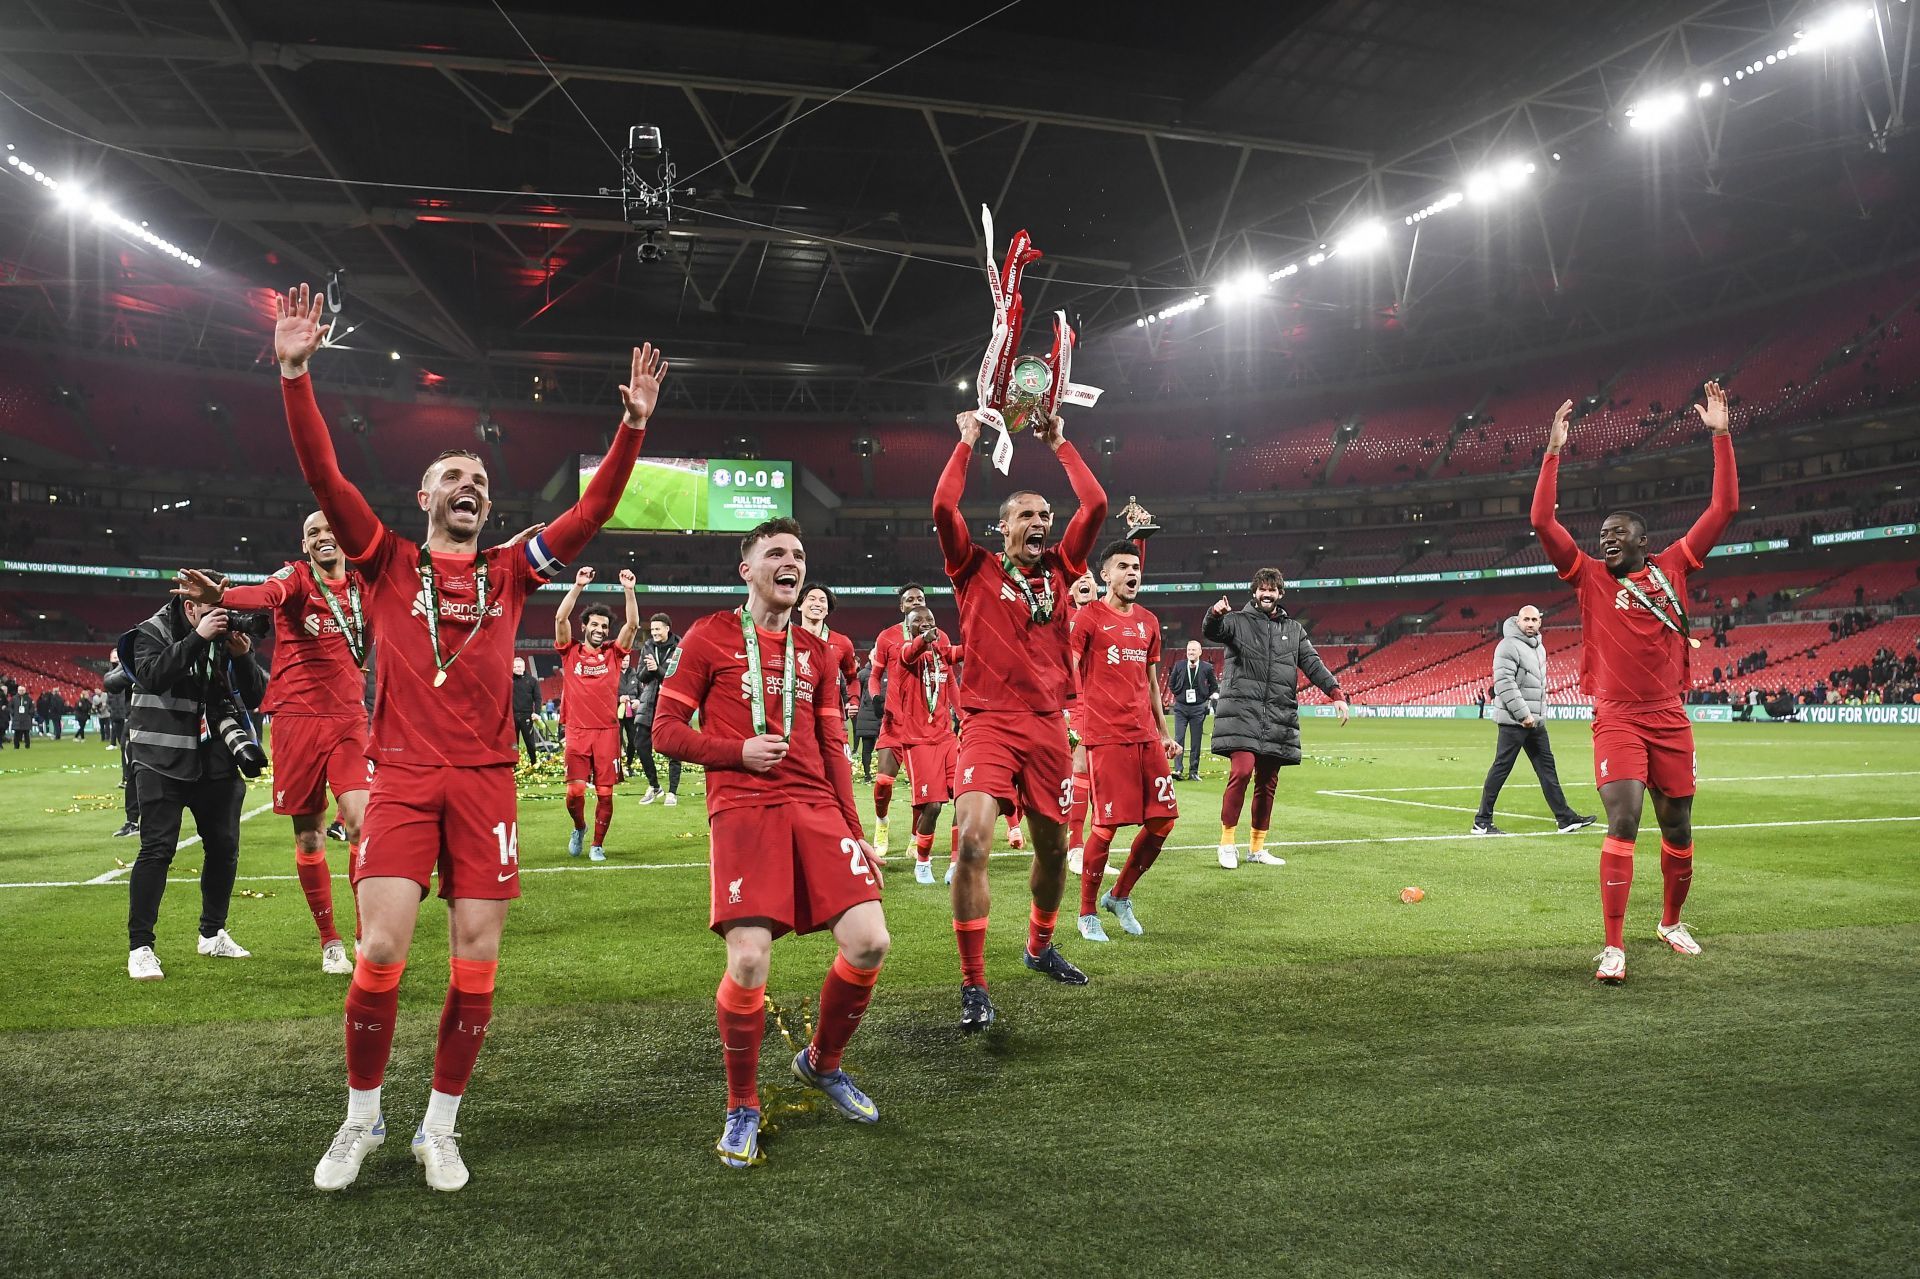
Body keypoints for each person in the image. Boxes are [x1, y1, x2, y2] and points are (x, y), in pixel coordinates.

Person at [264, 283, 665, 1192]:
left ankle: (437, 1126)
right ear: (423, 496)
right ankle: (361, 1116)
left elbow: (591, 514)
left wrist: (632, 427)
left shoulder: (513, 570)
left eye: (480, 482)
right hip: (402, 773)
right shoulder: (383, 557)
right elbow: (327, 478)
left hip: (484, 781)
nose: (470, 488)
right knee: (380, 951)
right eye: (454, 479)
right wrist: (296, 374)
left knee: (477, 956)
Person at [651, 517, 888, 1170]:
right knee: (750, 959)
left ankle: (822, 1062)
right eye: (777, 552)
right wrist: (737, 751)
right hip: (745, 807)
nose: (792, 561)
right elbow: (664, 730)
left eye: (800, 554)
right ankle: (742, 1105)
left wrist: (856, 831)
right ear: (747, 570)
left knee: (870, 940)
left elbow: (836, 747)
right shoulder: (708, 637)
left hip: (815, 805)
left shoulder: (820, 652)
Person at [1531, 383, 1737, 984]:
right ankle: (1614, 947)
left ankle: (1671, 922)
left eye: (1618, 533)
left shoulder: (1673, 566)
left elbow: (1722, 509)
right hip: (1617, 715)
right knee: (1624, 819)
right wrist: (1553, 451)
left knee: (1678, 826)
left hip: (1669, 716)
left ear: (1642, 541)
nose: (1606, 539)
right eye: (1602, 535)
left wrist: (1721, 435)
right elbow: (1542, 519)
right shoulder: (1589, 577)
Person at [934, 408, 1107, 1033]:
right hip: (986, 722)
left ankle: (1038, 946)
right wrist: (967, 441)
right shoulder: (971, 567)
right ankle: (974, 983)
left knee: (1056, 850)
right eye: (1026, 516)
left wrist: (1059, 441)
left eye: (1043, 516)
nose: (1038, 523)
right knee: (974, 840)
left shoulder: (1063, 571)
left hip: (1045, 727)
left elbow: (1096, 505)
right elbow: (942, 507)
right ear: (1002, 526)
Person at [174, 512, 377, 976]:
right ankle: (331, 943)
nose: (323, 538)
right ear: (304, 545)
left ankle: (368, 936)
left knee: (363, 827)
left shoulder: (365, 588)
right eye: (313, 534)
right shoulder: (296, 577)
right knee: (309, 835)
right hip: (296, 721)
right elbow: (264, 595)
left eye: (330, 530)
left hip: (349, 718)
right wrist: (222, 596)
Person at [120, 576, 268, 980]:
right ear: (189, 608)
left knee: (224, 848)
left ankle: (212, 932)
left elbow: (255, 698)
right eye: (209, 612)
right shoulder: (151, 631)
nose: (220, 620)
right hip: (161, 758)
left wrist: (243, 657)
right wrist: (199, 638)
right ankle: (141, 948)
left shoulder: (224, 634)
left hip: (214, 757)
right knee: (157, 850)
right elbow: (151, 675)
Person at [1069, 543, 1179, 942]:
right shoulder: (1088, 618)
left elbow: (1150, 683)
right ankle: (1086, 912)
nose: (1133, 573)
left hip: (1146, 737)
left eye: (1135, 567)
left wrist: (1164, 733)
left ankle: (1119, 896)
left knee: (1163, 821)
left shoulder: (1148, 621)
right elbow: (1070, 671)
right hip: (1105, 737)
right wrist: (1074, 725)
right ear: (1106, 576)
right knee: (1107, 825)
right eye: (1123, 567)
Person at [1205, 569, 1350, 869]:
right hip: (1243, 713)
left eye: (1272, 589)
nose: (1267, 594)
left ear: (1281, 594)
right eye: (1261, 589)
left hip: (1277, 715)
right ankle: (1227, 843)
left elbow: (1312, 663)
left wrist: (1335, 693)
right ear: (1254, 592)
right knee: (1242, 772)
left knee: (1268, 783)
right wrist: (1215, 613)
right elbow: (1212, 630)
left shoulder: (1294, 630)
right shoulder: (1236, 621)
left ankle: (1257, 847)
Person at [1471, 605, 1595, 837]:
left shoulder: (1539, 647)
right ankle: (1482, 821)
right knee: (1502, 768)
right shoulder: (1507, 645)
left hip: (1535, 722)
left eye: (1534, 619)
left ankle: (1565, 819)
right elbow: (1504, 683)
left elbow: (1536, 686)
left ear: (1540, 622)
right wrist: (1523, 714)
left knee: (1547, 769)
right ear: (1517, 621)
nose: (1530, 623)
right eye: (1525, 619)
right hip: (1514, 721)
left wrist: (1536, 717)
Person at [554, 566, 640, 861]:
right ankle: (579, 827)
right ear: (585, 627)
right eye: (595, 625)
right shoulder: (570, 651)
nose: (600, 630)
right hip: (577, 731)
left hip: (607, 732)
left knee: (605, 794)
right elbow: (560, 618)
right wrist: (578, 586)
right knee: (575, 793)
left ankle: (596, 845)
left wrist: (629, 590)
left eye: (604, 626)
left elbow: (632, 626)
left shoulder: (614, 654)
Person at [888, 603, 961, 885]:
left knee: (965, 800)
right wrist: (923, 639)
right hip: (918, 742)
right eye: (918, 620)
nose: (926, 623)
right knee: (932, 806)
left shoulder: (941, 656)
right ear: (909, 626)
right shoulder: (905, 655)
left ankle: (956, 864)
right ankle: (922, 862)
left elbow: (958, 653)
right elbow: (910, 651)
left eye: (930, 619)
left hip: (946, 738)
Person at [866, 582, 928, 855]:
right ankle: (882, 823)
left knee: (922, 789)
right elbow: (874, 675)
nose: (915, 602)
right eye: (910, 599)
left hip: (925, 724)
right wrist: (877, 698)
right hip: (894, 720)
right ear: (901, 606)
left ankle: (916, 838)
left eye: (920, 598)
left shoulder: (937, 637)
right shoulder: (887, 637)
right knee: (883, 782)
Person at [631, 613, 682, 805]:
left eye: (657, 629)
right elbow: (641, 677)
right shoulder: (647, 647)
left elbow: (677, 678)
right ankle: (654, 786)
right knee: (641, 744)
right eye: (652, 630)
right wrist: (649, 668)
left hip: (671, 703)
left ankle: (672, 791)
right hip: (649, 702)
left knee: (673, 747)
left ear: (667, 628)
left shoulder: (680, 648)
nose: (654, 633)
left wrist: (657, 670)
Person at [797, 583, 860, 719]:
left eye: (822, 600)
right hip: (798, 718)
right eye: (812, 599)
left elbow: (852, 678)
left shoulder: (842, 643)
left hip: (831, 720)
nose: (817, 603)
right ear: (799, 605)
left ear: (827, 610)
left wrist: (853, 700)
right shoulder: (788, 639)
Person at [1166, 638, 1218, 781]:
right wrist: (1178, 694)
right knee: (1179, 738)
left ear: (1200, 652)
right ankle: (1177, 770)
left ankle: (1193, 771)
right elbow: (1172, 683)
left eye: (1194, 650)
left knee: (1196, 741)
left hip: (1197, 709)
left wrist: (1204, 698)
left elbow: (1214, 686)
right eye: (1189, 650)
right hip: (1181, 708)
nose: (1191, 652)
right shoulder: (1179, 665)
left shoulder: (1207, 667)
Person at [853, 653, 882, 781]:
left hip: (882, 716)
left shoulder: (886, 673)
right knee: (868, 747)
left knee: (884, 748)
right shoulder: (864, 674)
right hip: (868, 715)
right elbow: (856, 693)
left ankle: (879, 775)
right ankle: (868, 774)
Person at [510, 657, 543, 766]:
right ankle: (513, 765)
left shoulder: (532, 681)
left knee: (530, 742)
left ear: (524, 667)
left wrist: (537, 713)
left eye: (519, 666)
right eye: (514, 667)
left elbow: (538, 698)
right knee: (513, 744)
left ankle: (534, 763)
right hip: (512, 717)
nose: (517, 669)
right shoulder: (508, 680)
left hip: (527, 716)